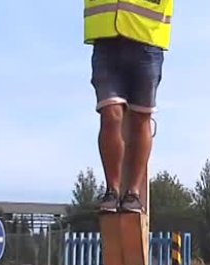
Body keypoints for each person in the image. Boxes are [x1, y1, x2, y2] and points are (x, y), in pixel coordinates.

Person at [83, 0, 174, 213]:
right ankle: (112, 190)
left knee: (141, 117)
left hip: (147, 40)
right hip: (105, 41)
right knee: (110, 113)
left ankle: (133, 192)